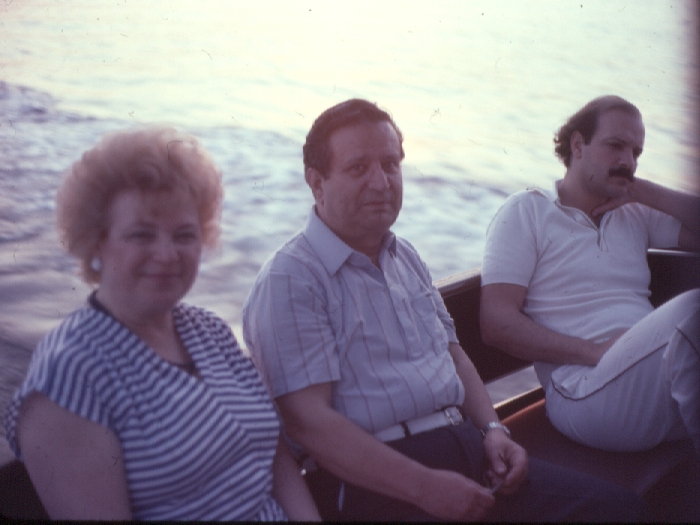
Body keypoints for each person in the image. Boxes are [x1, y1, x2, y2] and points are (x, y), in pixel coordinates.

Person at [243, 98, 647, 521]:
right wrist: (425, 487)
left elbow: (453, 356)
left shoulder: (405, 258)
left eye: (391, 165)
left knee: (618, 511)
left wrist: (494, 431)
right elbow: (311, 425)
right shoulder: (291, 279)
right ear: (316, 181)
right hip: (375, 482)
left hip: (467, 451)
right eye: (358, 168)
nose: (381, 182)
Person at [3, 127, 320, 521]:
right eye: (142, 235)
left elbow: (275, 457)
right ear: (95, 241)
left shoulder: (209, 331)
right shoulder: (69, 375)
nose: (167, 255)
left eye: (184, 235)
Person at [480, 95, 700, 455]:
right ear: (578, 144)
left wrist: (639, 189)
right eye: (616, 146)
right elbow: (496, 322)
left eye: (636, 153)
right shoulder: (527, 212)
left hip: (651, 383)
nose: (627, 161)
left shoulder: (635, 212)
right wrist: (593, 352)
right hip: (584, 392)